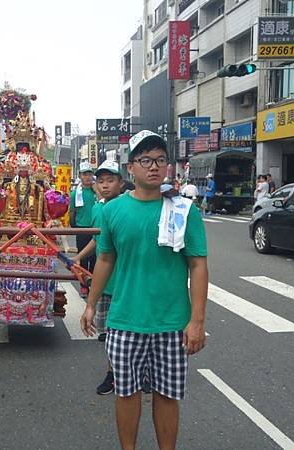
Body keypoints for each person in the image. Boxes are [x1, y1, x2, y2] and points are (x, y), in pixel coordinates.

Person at [80, 130, 208, 450]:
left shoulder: (184, 211)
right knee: (126, 393)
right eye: (146, 160)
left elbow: (198, 265)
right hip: (125, 321)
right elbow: (106, 259)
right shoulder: (112, 211)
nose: (154, 166)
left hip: (171, 323)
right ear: (131, 168)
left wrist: (197, 321)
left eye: (161, 160)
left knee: (167, 395)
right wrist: (90, 304)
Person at [73, 159, 122, 395]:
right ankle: (112, 374)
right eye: (100, 181)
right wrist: (78, 258)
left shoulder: (126, 207)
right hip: (106, 283)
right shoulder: (98, 209)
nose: (104, 185)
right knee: (111, 336)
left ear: (120, 183)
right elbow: (98, 241)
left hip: (126, 283)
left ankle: (143, 373)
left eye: (110, 180)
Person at [69, 162, 97, 297]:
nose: (87, 177)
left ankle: (95, 284)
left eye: (89, 174)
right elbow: (72, 212)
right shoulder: (75, 193)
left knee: (97, 259)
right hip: (82, 229)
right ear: (80, 176)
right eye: (84, 174)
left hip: (97, 228)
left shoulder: (97, 191)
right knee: (83, 259)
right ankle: (84, 285)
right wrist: (75, 227)